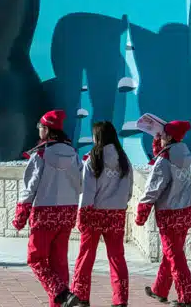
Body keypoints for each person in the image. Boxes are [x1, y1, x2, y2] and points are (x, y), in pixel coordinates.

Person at [13, 110, 82, 307]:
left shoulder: (41, 154)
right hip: (67, 213)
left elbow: (29, 188)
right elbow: (80, 184)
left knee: (36, 259)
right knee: (59, 262)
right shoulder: (73, 153)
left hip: (45, 213)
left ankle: (61, 294)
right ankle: (60, 302)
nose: (39, 132)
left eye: (40, 128)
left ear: (47, 129)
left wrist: (21, 215)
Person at [135, 120, 191, 307]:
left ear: (169, 137)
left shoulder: (165, 159)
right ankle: (159, 290)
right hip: (184, 211)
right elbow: (163, 158)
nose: (159, 137)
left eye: (162, 134)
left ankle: (187, 297)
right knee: (171, 253)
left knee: (175, 256)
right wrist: (159, 145)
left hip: (169, 214)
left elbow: (153, 188)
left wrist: (142, 212)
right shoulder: (183, 152)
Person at [71, 121, 133, 307]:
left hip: (94, 213)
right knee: (117, 257)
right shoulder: (124, 159)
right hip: (116, 214)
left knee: (86, 256)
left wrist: (83, 213)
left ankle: (81, 297)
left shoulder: (93, 159)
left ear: (97, 137)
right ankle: (120, 299)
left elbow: (88, 191)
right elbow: (129, 191)